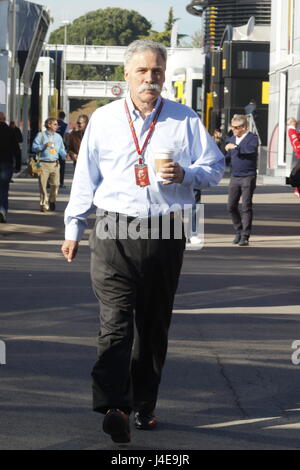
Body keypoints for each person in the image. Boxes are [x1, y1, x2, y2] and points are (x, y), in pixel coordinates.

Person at [61, 39, 224, 444]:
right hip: (113, 228)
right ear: (126, 75)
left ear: (164, 76)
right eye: (142, 71)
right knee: (115, 322)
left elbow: (215, 166)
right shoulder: (103, 119)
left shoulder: (184, 119)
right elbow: (86, 177)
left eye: (156, 72)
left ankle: (144, 405)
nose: (149, 79)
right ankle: (114, 406)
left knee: (152, 326)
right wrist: (73, 227)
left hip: (164, 229)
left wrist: (186, 174)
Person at [225, 114, 259, 246]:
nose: (233, 130)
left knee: (246, 206)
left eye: (236, 128)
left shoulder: (252, 138)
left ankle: (245, 236)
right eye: (232, 127)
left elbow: (250, 150)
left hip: (248, 176)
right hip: (235, 176)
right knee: (231, 206)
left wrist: (236, 148)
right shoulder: (232, 139)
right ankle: (238, 231)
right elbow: (228, 157)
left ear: (244, 127)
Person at [32, 117, 66, 212]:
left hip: (55, 164)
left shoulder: (58, 137)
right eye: (55, 124)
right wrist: (44, 145)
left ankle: (52, 200)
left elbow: (62, 149)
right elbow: (34, 147)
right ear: (49, 125)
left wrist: (64, 155)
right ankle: (44, 204)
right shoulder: (41, 135)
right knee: (42, 185)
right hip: (43, 164)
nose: (57, 126)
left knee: (56, 184)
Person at [0, 112, 21, 222]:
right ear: (5, 119)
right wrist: (18, 165)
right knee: (3, 188)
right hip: (7, 163)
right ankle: (2, 210)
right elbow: (16, 149)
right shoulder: (10, 131)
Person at [287, 117, 300, 197]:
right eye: (294, 122)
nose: (296, 123)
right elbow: (296, 142)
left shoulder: (294, 130)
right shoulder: (292, 131)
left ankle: (297, 190)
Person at [56, 111, 68, 188]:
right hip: (61, 148)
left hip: (52, 148)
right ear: (64, 117)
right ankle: (61, 183)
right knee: (62, 166)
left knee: (52, 164)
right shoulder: (65, 126)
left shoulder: (53, 124)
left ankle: (50, 182)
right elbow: (66, 137)